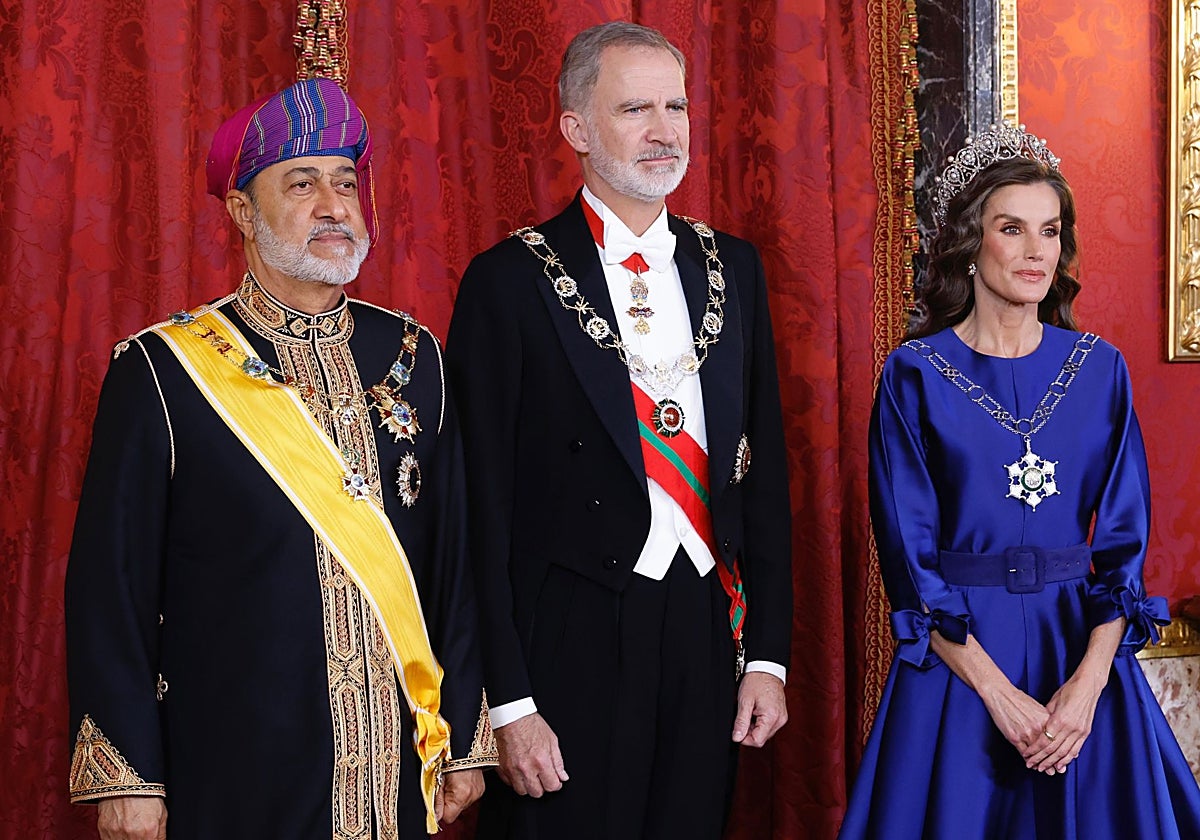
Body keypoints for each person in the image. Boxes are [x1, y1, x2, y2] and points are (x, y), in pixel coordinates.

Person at [65, 77, 496, 840]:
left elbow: (452, 563)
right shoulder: (164, 371)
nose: (334, 205)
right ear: (241, 211)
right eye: (302, 184)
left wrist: (463, 736)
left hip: (396, 756)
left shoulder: (413, 353)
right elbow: (112, 584)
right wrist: (129, 772)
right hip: (233, 763)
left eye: (344, 182)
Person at [444, 21, 792, 840]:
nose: (665, 130)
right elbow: (477, 512)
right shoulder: (509, 281)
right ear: (576, 130)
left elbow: (765, 472)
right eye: (635, 108)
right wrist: (510, 702)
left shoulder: (732, 267)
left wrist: (768, 657)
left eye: (675, 105)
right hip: (568, 634)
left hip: (706, 621)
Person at [839, 123, 1200, 838]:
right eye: (1013, 229)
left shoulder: (1101, 370)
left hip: (1082, 660)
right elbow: (912, 573)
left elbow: (1123, 549)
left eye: (1050, 231)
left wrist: (1087, 687)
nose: (1037, 252)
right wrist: (1002, 698)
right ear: (972, 245)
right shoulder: (913, 377)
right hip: (964, 668)